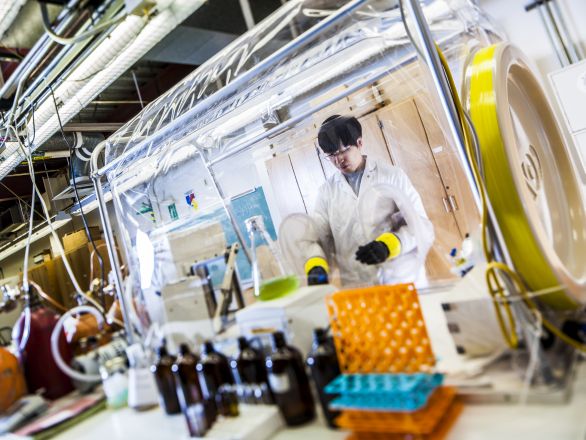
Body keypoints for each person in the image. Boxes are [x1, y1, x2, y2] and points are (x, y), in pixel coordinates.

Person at [303, 114, 434, 287]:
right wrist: (315, 264)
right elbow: (317, 238)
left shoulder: (391, 176)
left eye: (344, 150)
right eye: (332, 155)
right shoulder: (326, 192)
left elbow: (422, 227)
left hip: (399, 278)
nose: (339, 159)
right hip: (358, 285)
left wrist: (390, 245)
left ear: (359, 143)